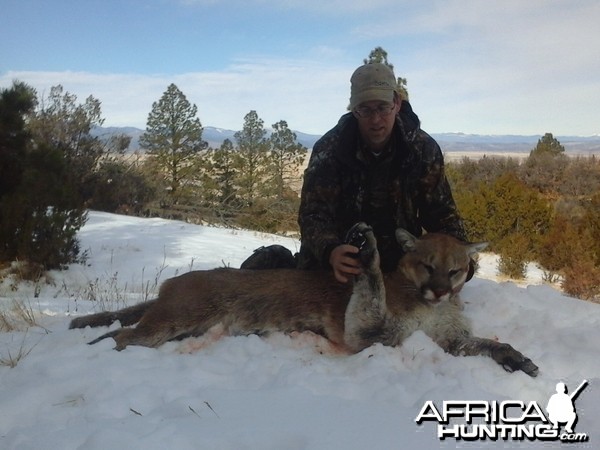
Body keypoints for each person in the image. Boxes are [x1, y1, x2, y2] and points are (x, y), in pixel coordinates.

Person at [241, 62, 470, 283]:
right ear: (354, 110)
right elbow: (313, 215)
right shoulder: (330, 149)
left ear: (397, 103)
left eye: (382, 107)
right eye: (365, 109)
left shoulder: (422, 150)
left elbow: (442, 215)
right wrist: (331, 251)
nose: (376, 119)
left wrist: (460, 260)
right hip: (340, 266)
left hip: (400, 268)